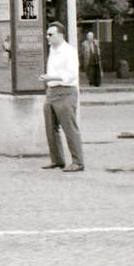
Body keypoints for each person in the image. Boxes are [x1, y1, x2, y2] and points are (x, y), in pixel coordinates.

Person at [41, 21, 85, 172]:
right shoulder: (52, 50)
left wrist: (51, 77)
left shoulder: (69, 51)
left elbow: (71, 75)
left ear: (60, 35)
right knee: (50, 128)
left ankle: (78, 161)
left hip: (65, 91)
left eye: (50, 34)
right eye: (47, 34)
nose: (47, 37)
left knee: (69, 127)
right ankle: (57, 159)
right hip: (52, 91)